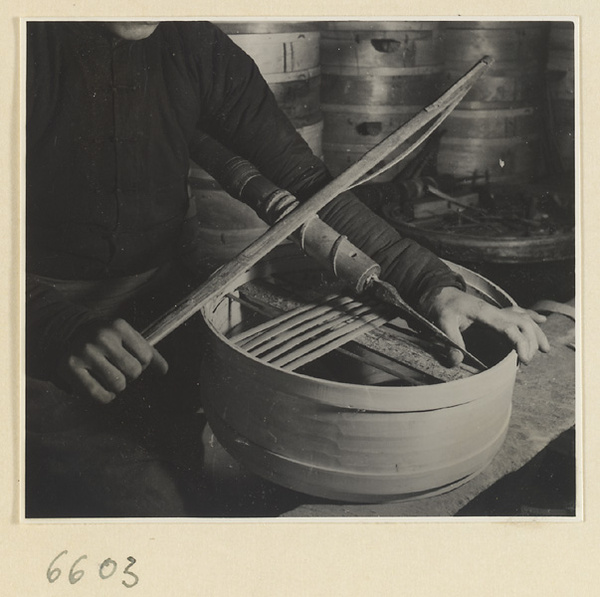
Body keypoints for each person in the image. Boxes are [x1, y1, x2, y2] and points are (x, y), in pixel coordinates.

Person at [25, 20, 549, 517]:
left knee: (212, 478)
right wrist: (51, 326)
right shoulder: (22, 48)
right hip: (32, 330)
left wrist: (431, 284)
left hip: (163, 310)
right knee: (151, 510)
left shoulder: (198, 49)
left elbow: (310, 189)